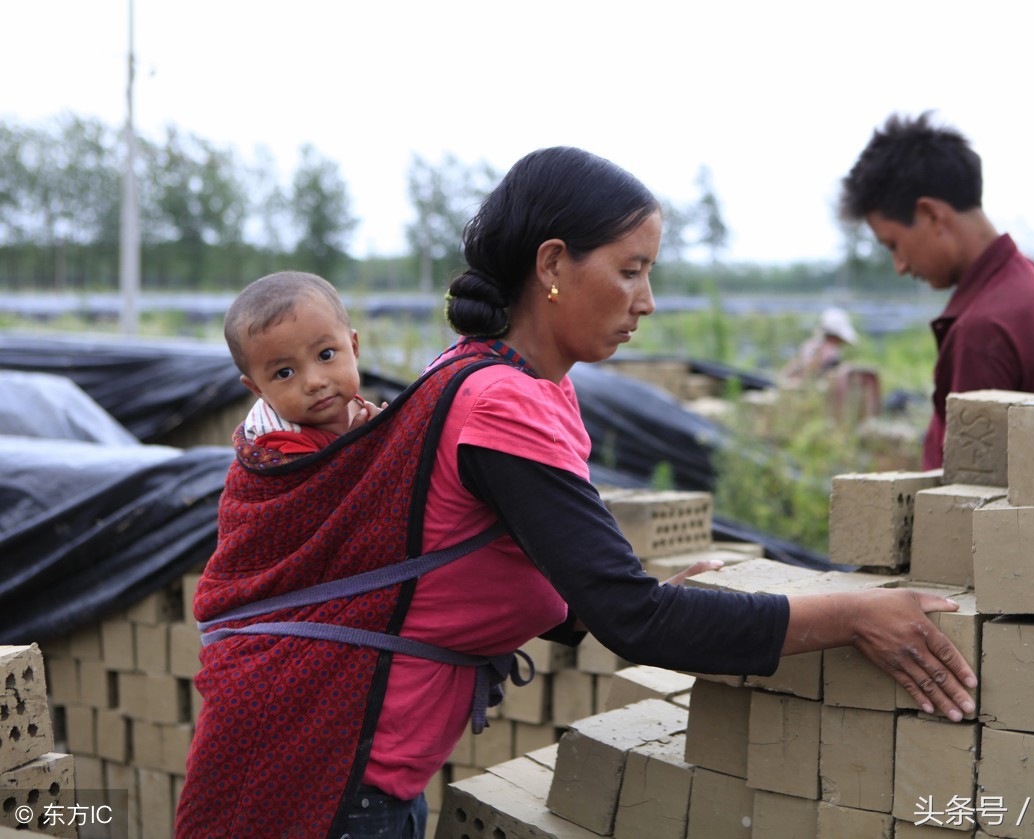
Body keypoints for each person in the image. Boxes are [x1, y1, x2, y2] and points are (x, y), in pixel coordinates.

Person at [177, 146, 976, 839]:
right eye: (630, 269)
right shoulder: (499, 401)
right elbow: (635, 620)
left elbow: (480, 561)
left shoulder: (483, 374)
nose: (647, 299)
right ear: (553, 265)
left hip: (327, 758)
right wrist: (858, 614)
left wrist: (617, 595)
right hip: (327, 777)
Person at [840, 112, 1034, 469]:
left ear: (930, 215)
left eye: (894, 244)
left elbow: (963, 499)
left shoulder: (984, 327)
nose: (899, 266)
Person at [223, 271, 384, 458]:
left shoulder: (355, 405)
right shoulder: (277, 443)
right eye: (284, 373)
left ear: (354, 347)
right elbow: (327, 482)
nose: (314, 382)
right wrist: (355, 447)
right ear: (258, 389)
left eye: (326, 355)